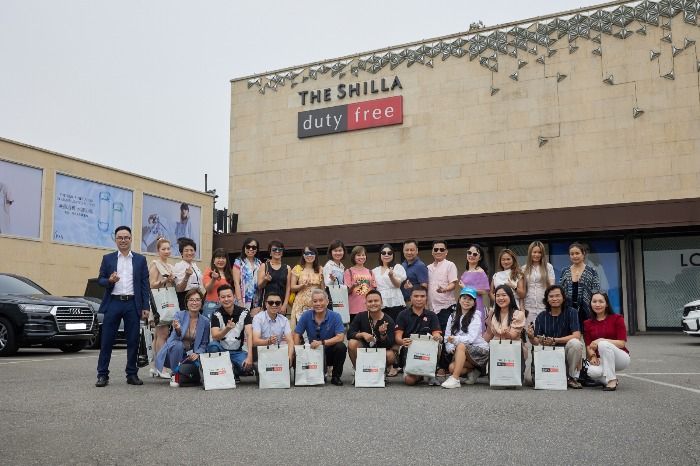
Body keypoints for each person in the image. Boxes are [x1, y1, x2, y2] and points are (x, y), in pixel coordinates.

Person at [95, 226, 151, 387]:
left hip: (132, 304)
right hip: (113, 302)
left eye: (126, 237)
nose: (123, 240)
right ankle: (102, 375)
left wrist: (145, 305)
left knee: (133, 340)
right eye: (120, 237)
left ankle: (132, 374)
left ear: (131, 239)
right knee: (107, 340)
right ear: (115, 239)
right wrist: (110, 281)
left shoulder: (140, 259)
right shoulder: (108, 258)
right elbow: (100, 280)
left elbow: (144, 285)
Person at [526, 285, 583, 389]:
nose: (554, 299)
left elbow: (577, 335)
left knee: (576, 343)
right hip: (549, 352)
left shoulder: (572, 312)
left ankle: (570, 376)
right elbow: (536, 342)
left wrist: (554, 340)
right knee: (529, 380)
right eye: (551, 296)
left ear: (563, 298)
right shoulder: (541, 316)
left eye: (557, 296)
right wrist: (530, 336)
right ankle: (558, 376)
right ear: (547, 300)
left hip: (566, 351)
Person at [154, 289, 210, 387]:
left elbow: (204, 343)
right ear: (187, 302)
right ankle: (175, 374)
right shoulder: (179, 315)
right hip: (172, 354)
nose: (194, 303)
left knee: (199, 361)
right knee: (177, 344)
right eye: (191, 300)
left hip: (190, 356)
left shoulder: (205, 321)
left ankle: (190, 374)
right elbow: (174, 338)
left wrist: (198, 353)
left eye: (197, 300)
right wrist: (178, 329)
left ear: (202, 302)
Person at [293, 289, 347, 386]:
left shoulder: (336, 316)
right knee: (294, 351)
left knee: (341, 347)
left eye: (321, 300)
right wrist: (297, 352)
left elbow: (340, 337)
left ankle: (336, 376)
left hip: (329, 350)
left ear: (327, 302)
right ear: (311, 303)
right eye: (315, 301)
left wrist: (322, 342)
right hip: (312, 352)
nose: (318, 304)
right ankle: (306, 375)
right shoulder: (305, 315)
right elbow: (297, 334)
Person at [441, 287, 489, 388]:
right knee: (451, 367)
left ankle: (455, 379)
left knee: (461, 345)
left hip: (480, 352)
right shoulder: (453, 316)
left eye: (470, 299)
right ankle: (475, 371)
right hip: (463, 351)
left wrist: (455, 340)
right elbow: (447, 336)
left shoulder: (476, 316)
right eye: (464, 298)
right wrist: (450, 347)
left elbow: (471, 338)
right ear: (459, 300)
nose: (466, 301)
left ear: (474, 303)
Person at [394, 286, 443, 386]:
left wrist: (438, 337)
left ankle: (432, 373)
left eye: (422, 296)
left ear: (426, 298)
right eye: (416, 296)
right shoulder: (402, 314)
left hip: (428, 351)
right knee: (409, 381)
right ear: (411, 298)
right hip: (409, 350)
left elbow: (437, 334)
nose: (419, 299)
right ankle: (419, 375)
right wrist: (402, 341)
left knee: (437, 344)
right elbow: (398, 337)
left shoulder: (432, 315)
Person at [347, 290, 397, 382]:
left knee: (390, 355)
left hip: (380, 350)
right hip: (365, 348)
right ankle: (358, 371)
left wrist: (383, 334)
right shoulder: (360, 316)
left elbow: (389, 345)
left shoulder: (388, 320)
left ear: (381, 303)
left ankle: (381, 371)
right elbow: (349, 334)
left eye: (376, 301)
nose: (373, 304)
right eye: (370, 301)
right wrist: (362, 334)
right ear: (366, 304)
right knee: (352, 343)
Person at [206, 284, 254, 381]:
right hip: (222, 350)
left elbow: (249, 335)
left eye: (229, 296)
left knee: (246, 368)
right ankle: (224, 370)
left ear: (234, 297)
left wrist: (249, 356)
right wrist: (227, 328)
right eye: (223, 297)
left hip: (237, 351)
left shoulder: (244, 312)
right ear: (219, 299)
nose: (226, 299)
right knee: (213, 346)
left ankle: (233, 369)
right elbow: (215, 336)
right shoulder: (216, 314)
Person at [584, 292, 629, 391]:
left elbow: (621, 343)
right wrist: (592, 356)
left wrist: (601, 340)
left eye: (601, 301)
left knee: (603, 344)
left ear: (607, 304)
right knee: (591, 372)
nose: (597, 304)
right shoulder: (587, 323)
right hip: (602, 359)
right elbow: (589, 345)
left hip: (620, 358)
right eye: (594, 301)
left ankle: (612, 380)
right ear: (590, 304)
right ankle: (609, 381)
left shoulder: (617, 318)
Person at [483, 284, 528, 382]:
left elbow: (514, 335)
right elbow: (489, 334)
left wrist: (506, 333)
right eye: (497, 296)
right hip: (496, 348)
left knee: (511, 381)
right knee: (496, 380)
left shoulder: (518, 314)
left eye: (504, 295)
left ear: (510, 297)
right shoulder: (492, 314)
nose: (500, 298)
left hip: (513, 348)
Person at [147, 236, 177, 379]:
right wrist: (166, 280)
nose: (166, 251)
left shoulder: (170, 266)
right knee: (163, 334)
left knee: (158, 335)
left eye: (168, 248)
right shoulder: (155, 263)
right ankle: (161, 367)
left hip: (167, 302)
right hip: (159, 303)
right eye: (163, 249)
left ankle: (154, 365)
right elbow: (152, 284)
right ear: (158, 250)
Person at [559, 242, 601, 331]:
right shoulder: (565, 271)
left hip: (587, 309)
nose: (575, 256)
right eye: (572, 254)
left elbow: (596, 290)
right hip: (568, 308)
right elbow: (561, 290)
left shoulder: (591, 271)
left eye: (577, 253)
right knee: (570, 335)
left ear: (583, 254)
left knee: (589, 334)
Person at [251, 290, 294, 367]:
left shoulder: (284, 320)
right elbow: (255, 341)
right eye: (271, 302)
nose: (274, 305)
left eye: (277, 303)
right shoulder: (258, 318)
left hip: (277, 352)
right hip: (262, 352)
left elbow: (290, 341)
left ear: (281, 305)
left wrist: (290, 358)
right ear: (266, 304)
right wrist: (269, 341)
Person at [427, 240, 458, 340]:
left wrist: (444, 289)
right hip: (431, 308)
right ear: (432, 251)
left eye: (441, 249)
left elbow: (453, 284)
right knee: (432, 336)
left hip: (445, 307)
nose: (438, 251)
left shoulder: (450, 265)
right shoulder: (428, 268)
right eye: (436, 249)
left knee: (445, 335)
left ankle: (445, 355)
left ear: (446, 252)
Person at [522, 241, 555, 328]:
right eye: (534, 252)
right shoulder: (524, 268)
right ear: (530, 253)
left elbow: (552, 286)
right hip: (529, 305)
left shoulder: (548, 267)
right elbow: (522, 289)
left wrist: (550, 301)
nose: (537, 255)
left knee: (545, 330)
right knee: (530, 332)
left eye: (539, 252)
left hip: (544, 304)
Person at [458, 243, 490, 334]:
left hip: (476, 304)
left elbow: (483, 291)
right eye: (469, 253)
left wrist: (466, 288)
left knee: (474, 330)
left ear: (480, 257)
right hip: (464, 303)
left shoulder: (480, 272)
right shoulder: (466, 271)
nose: (471, 255)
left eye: (475, 254)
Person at [290, 243, 324, 327]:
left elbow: (323, 288)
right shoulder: (297, 268)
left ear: (315, 255)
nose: (309, 255)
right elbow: (292, 287)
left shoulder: (320, 269)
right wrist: (302, 286)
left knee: (315, 327)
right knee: (299, 327)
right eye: (307, 253)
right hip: (301, 302)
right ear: (303, 255)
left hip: (316, 302)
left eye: (312, 253)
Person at [372, 243, 407, 323]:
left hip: (394, 300)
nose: (386, 255)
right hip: (380, 302)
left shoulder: (397, 267)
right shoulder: (375, 270)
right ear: (380, 255)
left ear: (393, 255)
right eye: (383, 253)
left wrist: (391, 276)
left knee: (395, 325)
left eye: (389, 253)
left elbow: (398, 284)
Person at [343, 245, 376, 322]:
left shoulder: (370, 272)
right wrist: (354, 285)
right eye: (358, 255)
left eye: (363, 255)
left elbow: (373, 290)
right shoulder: (348, 272)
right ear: (353, 257)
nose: (361, 257)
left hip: (368, 308)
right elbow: (346, 292)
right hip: (353, 309)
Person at [258, 239, 291, 310]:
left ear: (282, 253)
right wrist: (265, 280)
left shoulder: (287, 268)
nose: (277, 251)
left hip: (280, 304)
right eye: (274, 249)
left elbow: (288, 288)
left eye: (280, 249)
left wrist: (285, 305)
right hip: (267, 303)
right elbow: (259, 286)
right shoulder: (264, 266)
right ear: (270, 252)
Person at [233, 237, 262, 316]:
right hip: (242, 299)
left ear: (257, 249)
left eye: (254, 247)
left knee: (254, 324)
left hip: (256, 300)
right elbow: (236, 283)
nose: (251, 249)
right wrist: (239, 301)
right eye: (248, 247)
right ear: (244, 248)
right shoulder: (239, 262)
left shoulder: (259, 263)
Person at [202, 248, 234, 320]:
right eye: (218, 257)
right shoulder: (209, 271)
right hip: (211, 305)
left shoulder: (230, 274)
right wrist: (213, 279)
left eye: (223, 258)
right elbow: (208, 288)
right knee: (209, 328)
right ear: (214, 260)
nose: (221, 260)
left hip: (227, 305)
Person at [173, 237, 203, 311]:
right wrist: (187, 276)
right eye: (186, 251)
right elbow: (179, 289)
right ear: (181, 253)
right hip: (185, 298)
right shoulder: (179, 266)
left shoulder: (195, 266)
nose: (189, 253)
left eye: (191, 250)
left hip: (197, 297)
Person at [400, 240, 429, 305]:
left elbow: (424, 287)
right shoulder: (403, 264)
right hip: (402, 302)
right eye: (407, 250)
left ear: (417, 251)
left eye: (412, 250)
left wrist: (412, 288)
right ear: (403, 251)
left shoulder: (420, 266)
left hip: (414, 302)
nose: (409, 252)